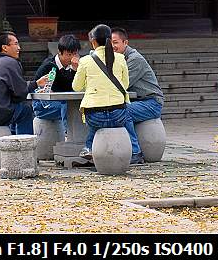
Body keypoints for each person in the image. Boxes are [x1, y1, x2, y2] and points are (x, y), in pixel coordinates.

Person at [72, 23, 144, 164]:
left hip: (95, 116)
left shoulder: (85, 61)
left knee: (96, 120)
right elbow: (125, 84)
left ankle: (89, 147)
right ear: (110, 41)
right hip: (119, 115)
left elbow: (76, 87)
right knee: (112, 112)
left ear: (93, 42)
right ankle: (131, 151)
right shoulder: (121, 58)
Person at [0, 32, 49, 134]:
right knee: (25, 110)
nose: (19, 48)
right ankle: (25, 146)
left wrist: (35, 83)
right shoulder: (11, 62)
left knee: (15, 107)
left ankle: (13, 136)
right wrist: (35, 85)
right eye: (16, 44)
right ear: (5, 47)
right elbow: (20, 93)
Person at [111, 27, 164, 154]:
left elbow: (121, 84)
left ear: (125, 43)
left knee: (123, 111)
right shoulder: (117, 59)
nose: (112, 46)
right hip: (137, 101)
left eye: (115, 42)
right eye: (110, 43)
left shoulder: (134, 59)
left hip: (151, 102)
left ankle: (134, 152)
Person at [32, 34, 81, 132]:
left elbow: (75, 89)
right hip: (43, 106)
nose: (72, 58)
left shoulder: (74, 66)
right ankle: (69, 136)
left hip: (61, 103)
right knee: (69, 108)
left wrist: (76, 70)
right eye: (69, 54)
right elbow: (67, 87)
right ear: (59, 52)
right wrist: (75, 71)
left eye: (75, 54)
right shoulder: (49, 66)